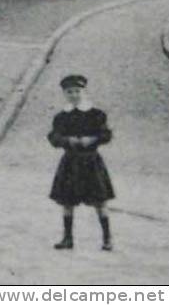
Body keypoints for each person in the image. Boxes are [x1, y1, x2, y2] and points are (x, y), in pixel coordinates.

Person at [48, 74, 115, 251]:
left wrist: (91, 140)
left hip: (91, 162)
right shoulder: (61, 117)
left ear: (84, 92)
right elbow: (54, 137)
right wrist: (67, 141)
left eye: (77, 91)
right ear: (65, 94)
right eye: (70, 92)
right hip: (70, 162)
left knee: (100, 201)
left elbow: (106, 135)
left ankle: (107, 239)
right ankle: (67, 238)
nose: (74, 95)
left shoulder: (96, 115)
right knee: (67, 201)